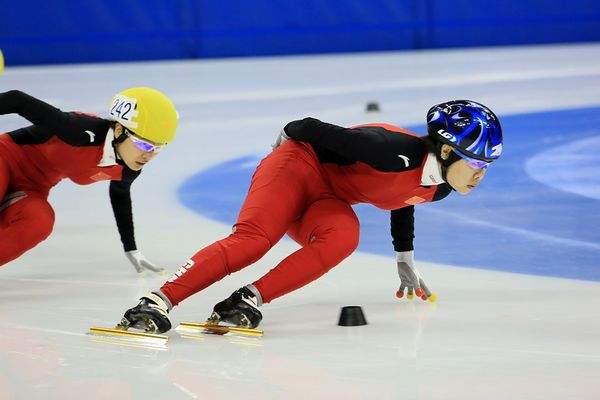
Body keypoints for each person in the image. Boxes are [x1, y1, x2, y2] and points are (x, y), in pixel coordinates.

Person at [120, 100, 503, 333]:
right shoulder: (389, 149)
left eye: (488, 165)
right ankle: (154, 302)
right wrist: (282, 148)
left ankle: (246, 300)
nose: (480, 174)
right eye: (476, 163)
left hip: (327, 197)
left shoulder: (441, 187)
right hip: (295, 166)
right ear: (448, 152)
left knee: (344, 236)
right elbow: (308, 127)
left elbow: (405, 199)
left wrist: (404, 257)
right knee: (254, 240)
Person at [0, 87, 178, 272]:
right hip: (4, 156)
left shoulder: (129, 168)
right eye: (144, 144)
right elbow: (17, 100)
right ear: (119, 130)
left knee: (40, 221)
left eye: (158, 148)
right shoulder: (81, 131)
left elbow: (120, 195)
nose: (149, 155)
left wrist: (130, 247)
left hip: (31, 188)